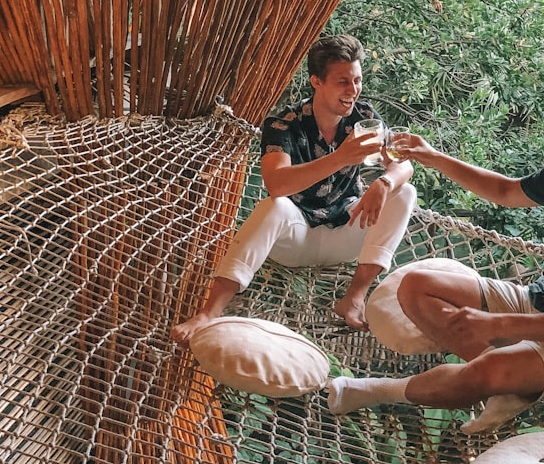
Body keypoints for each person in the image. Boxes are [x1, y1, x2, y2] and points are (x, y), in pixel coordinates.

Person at [327, 91, 544, 432]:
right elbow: (506, 192)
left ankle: (373, 390)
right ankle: (509, 386)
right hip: (540, 302)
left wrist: (498, 325)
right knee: (416, 286)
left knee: (482, 374)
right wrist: (434, 157)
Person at [172, 34, 415, 344]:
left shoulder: (364, 118)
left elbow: (404, 164)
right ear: (317, 81)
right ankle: (209, 312)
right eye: (343, 82)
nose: (353, 91)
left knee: (405, 192)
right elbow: (276, 183)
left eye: (357, 80)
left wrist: (383, 182)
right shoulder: (283, 124)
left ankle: (354, 297)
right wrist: (340, 157)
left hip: (346, 232)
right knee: (274, 206)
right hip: (295, 239)